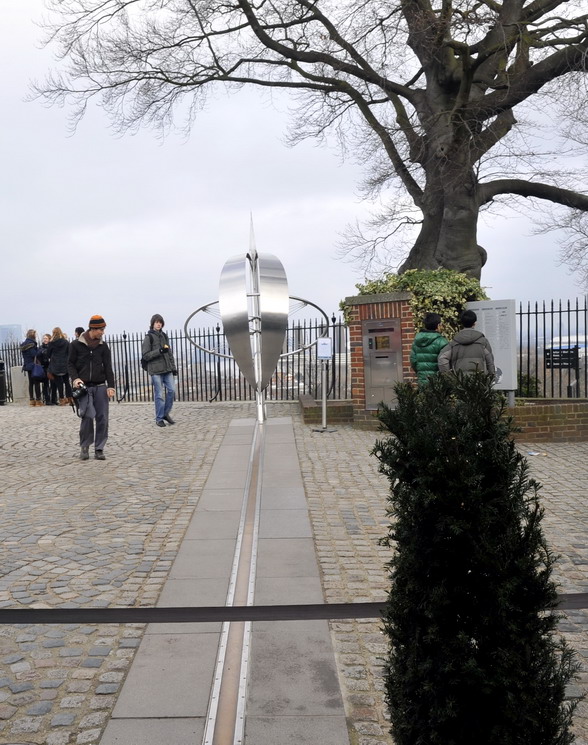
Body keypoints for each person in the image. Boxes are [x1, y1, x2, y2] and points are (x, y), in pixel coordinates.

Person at [68, 315, 116, 460]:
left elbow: (108, 367)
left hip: (101, 386)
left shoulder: (103, 346)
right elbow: (70, 364)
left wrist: (111, 386)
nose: (103, 332)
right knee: (87, 416)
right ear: (93, 329)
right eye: (101, 329)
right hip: (84, 387)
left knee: (102, 417)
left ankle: (99, 448)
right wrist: (75, 378)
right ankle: (85, 446)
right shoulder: (75, 345)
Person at [142, 313, 177, 427]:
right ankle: (159, 418)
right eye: (157, 322)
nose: (158, 324)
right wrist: (160, 351)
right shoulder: (149, 337)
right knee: (159, 395)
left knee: (171, 391)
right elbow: (146, 355)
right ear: (152, 324)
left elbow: (169, 353)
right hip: (156, 371)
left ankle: (165, 413)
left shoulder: (164, 336)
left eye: (160, 322)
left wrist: (173, 368)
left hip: (167, 369)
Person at [438, 309, 496, 376]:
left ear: (462, 323)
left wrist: (449, 377)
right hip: (480, 382)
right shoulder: (483, 341)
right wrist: (491, 376)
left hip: (460, 382)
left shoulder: (454, 342)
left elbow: (442, 358)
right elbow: (490, 361)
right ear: (474, 323)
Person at [410, 312, 449, 385]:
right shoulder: (442, 342)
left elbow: (413, 361)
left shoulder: (416, 341)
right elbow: (445, 363)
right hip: (437, 382)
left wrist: (421, 373)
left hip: (422, 381)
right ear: (438, 326)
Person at [47, 327, 73, 406]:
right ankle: (70, 399)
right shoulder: (66, 342)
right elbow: (69, 353)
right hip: (65, 364)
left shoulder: (51, 343)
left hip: (55, 365)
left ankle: (62, 399)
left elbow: (48, 354)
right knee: (67, 382)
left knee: (59, 383)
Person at [20, 329, 43, 406]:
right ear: (33, 336)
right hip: (33, 365)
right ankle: (38, 400)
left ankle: (31, 400)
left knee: (31, 383)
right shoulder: (31, 344)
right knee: (36, 382)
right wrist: (39, 350)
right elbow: (34, 354)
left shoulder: (24, 344)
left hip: (27, 365)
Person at [40, 333, 53, 405]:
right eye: (44, 338)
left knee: (53, 384)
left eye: (46, 338)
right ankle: (47, 399)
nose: (45, 340)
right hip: (44, 367)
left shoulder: (51, 347)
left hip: (51, 367)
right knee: (46, 384)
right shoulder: (41, 347)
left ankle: (53, 399)